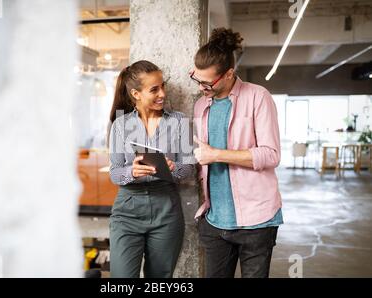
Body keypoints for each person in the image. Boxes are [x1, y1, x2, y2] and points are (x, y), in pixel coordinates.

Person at [191, 28, 283, 278]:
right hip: (215, 219)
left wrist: (217, 155)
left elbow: (271, 154)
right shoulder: (202, 105)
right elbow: (203, 155)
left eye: (207, 82)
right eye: (196, 79)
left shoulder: (258, 97)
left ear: (229, 74)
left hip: (257, 220)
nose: (201, 87)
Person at [108, 60, 193, 278]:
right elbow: (115, 172)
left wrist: (173, 168)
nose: (162, 93)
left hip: (166, 209)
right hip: (127, 211)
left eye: (162, 86)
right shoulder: (121, 125)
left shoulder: (178, 121)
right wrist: (131, 172)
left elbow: (189, 168)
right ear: (136, 93)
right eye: (154, 89)